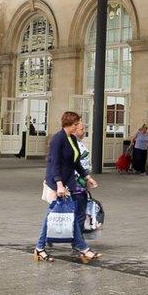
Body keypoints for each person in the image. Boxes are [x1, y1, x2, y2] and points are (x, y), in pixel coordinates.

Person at [35, 111, 101, 264]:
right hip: (57, 184)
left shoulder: (71, 138)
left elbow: (75, 162)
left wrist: (87, 177)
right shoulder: (58, 139)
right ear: (70, 124)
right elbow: (55, 163)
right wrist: (59, 185)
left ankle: (79, 248)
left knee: (61, 216)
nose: (79, 126)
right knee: (53, 217)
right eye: (77, 123)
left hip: (67, 183)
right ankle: (81, 248)